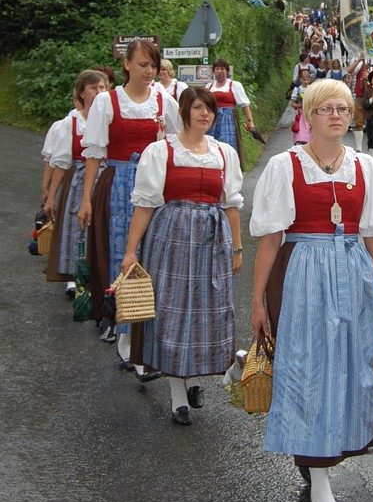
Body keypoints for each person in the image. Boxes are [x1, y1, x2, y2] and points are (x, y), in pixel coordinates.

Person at [250, 78, 373, 502]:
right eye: (326, 108)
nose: (336, 115)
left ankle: (322, 460)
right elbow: (270, 239)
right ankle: (321, 485)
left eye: (343, 108)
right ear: (308, 116)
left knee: (352, 370)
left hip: (354, 275)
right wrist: (257, 300)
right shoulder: (286, 166)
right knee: (308, 372)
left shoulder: (364, 167)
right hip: (301, 276)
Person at [120, 87, 243, 425]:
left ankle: (195, 378)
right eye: (199, 108)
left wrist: (236, 248)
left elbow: (231, 204)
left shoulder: (224, 153)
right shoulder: (161, 151)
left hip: (212, 240)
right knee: (172, 312)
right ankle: (178, 394)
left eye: (210, 109)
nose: (205, 114)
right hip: (171, 237)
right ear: (184, 112)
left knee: (207, 310)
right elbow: (145, 204)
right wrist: (130, 250)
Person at [78, 39, 180, 370]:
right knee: (122, 254)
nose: (149, 71)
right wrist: (86, 199)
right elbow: (94, 154)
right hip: (119, 184)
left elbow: (177, 145)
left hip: (155, 185)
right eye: (143, 65)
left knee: (153, 256)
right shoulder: (107, 102)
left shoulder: (164, 101)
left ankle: (147, 334)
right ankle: (125, 336)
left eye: (153, 66)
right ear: (127, 65)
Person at [45, 70, 109, 293]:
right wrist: (51, 196)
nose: (99, 92)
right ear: (81, 93)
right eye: (93, 88)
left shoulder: (110, 119)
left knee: (101, 227)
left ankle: (99, 276)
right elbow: (61, 162)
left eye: (102, 87)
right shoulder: (70, 123)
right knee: (76, 226)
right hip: (79, 179)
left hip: (105, 178)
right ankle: (74, 276)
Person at [205, 59, 254, 162]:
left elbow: (244, 105)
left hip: (228, 120)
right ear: (214, 71)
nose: (220, 71)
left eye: (222, 69)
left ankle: (229, 165)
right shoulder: (209, 87)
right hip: (212, 120)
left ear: (227, 71)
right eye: (217, 69)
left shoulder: (234, 85)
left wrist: (250, 121)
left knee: (227, 145)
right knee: (210, 145)